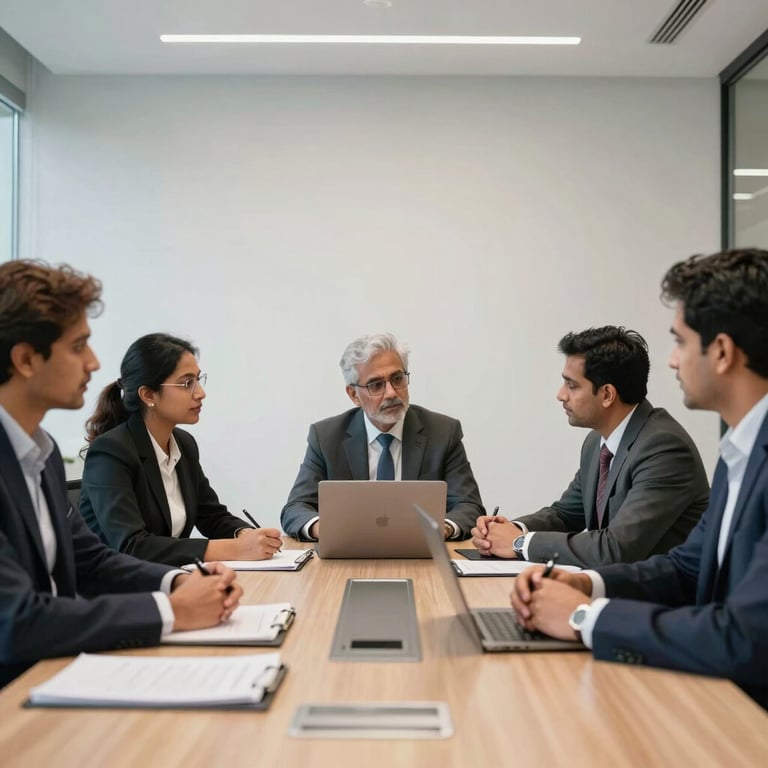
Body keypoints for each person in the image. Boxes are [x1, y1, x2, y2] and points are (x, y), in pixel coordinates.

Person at [511, 248, 768, 709]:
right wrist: (587, 586)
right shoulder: (741, 449)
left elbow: (746, 637)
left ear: (723, 352)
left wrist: (587, 617)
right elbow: (688, 567)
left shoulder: (680, 444)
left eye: (681, 342)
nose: (671, 361)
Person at [0, 260, 242, 688]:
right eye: (78, 347)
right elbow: (16, 619)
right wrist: (175, 610)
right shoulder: (98, 451)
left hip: (55, 669)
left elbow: (91, 560)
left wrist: (182, 581)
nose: (94, 363)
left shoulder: (42, 453)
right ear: (25, 359)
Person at [471, 326, 709, 568]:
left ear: (607, 394)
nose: (560, 395)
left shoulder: (664, 448)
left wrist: (520, 543)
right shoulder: (597, 442)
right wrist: (511, 530)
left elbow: (616, 548)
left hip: (659, 599)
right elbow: (565, 514)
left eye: (572, 385)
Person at [80, 334, 282, 567]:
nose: (200, 393)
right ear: (148, 395)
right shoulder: (111, 452)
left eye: (198, 380)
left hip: (167, 579)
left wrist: (245, 535)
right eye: (187, 383)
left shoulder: (184, 444)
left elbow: (211, 516)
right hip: (118, 591)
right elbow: (132, 546)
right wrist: (234, 549)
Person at [280, 332, 484, 541]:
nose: (391, 393)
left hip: (422, 555)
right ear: (353, 395)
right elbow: (296, 508)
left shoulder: (443, 432)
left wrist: (444, 528)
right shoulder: (326, 437)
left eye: (397, 379)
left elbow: (468, 506)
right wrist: (323, 528)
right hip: (349, 554)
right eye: (376, 385)